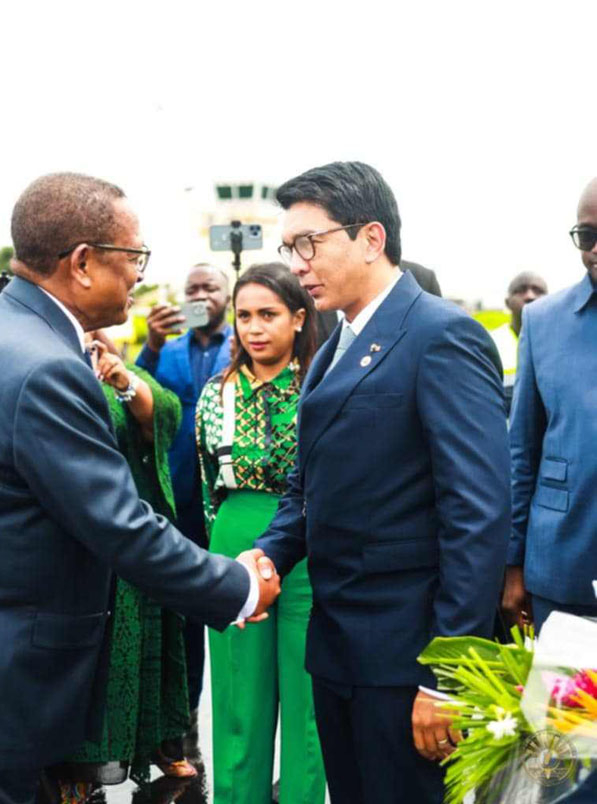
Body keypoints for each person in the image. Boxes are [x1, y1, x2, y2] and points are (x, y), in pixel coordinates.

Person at [0, 172, 280, 804]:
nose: (141, 274)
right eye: (135, 257)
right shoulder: (48, 368)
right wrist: (241, 587)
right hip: (10, 680)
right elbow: (119, 524)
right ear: (84, 263)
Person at [254, 161, 510, 804]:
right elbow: (308, 489)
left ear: (371, 239)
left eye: (309, 243)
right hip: (338, 648)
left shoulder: (440, 337)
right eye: (290, 248)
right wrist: (270, 552)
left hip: (407, 659)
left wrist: (448, 674)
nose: (298, 262)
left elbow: (476, 514)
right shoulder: (335, 339)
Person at [196, 263, 326, 804]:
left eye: (268, 315)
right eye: (244, 315)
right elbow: (207, 486)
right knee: (238, 700)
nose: (254, 328)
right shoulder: (214, 394)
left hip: (311, 547)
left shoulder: (323, 387)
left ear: (298, 318)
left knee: (307, 699)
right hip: (233, 545)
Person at [50, 333, 196, 804]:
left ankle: (156, 739)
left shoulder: (109, 361)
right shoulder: (43, 362)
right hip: (71, 537)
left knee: (146, 644)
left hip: (128, 533)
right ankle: (76, 767)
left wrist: (122, 379)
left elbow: (168, 414)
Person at [502, 180, 597, 804]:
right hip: (564, 576)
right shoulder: (543, 321)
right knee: (565, 767)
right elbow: (522, 453)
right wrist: (512, 563)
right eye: (587, 236)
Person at [136, 263, 233, 745]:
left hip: (230, 497)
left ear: (227, 294)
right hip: (178, 497)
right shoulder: (165, 349)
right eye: (192, 288)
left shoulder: (246, 340)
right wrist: (150, 346)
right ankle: (183, 717)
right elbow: (133, 391)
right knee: (184, 611)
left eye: (209, 287)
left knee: (237, 607)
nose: (200, 295)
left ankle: (242, 715)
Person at [489, 271, 548, 415]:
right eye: (520, 290)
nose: (530, 296)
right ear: (507, 302)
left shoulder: (561, 342)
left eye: (538, 291)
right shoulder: (489, 342)